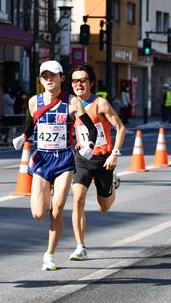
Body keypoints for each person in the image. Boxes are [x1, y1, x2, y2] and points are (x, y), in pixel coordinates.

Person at [11, 60, 98, 271]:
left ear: (62, 78)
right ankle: (47, 206)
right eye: (45, 76)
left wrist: (89, 145)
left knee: (57, 209)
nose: (49, 80)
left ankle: (49, 254)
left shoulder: (72, 102)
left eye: (53, 76)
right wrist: (23, 136)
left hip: (64, 160)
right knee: (39, 214)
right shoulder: (34, 101)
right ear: (41, 80)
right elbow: (33, 123)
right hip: (42, 159)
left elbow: (91, 129)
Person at [68, 64, 126, 261]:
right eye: (75, 81)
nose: (79, 84)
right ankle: (80, 246)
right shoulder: (71, 105)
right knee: (77, 200)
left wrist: (114, 154)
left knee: (104, 207)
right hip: (82, 158)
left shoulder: (100, 104)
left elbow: (120, 128)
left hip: (103, 159)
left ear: (91, 83)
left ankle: (112, 182)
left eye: (83, 80)